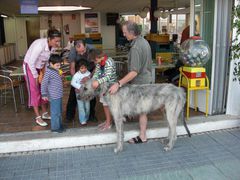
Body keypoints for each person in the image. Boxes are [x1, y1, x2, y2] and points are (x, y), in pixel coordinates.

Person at [109, 21, 152, 143]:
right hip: (146, 80)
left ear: (132, 32)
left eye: (125, 32)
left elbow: (134, 72)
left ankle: (142, 136)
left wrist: (118, 84)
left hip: (140, 84)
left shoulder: (136, 47)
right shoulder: (144, 42)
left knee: (142, 110)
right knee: (141, 109)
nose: (124, 35)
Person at [23, 29, 61, 127]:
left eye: (59, 41)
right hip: (30, 67)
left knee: (43, 89)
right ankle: (38, 117)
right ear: (49, 39)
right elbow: (31, 62)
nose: (58, 43)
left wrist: (46, 73)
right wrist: (36, 76)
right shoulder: (39, 45)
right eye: (56, 41)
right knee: (34, 91)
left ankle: (44, 113)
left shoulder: (52, 47)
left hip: (41, 67)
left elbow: (47, 61)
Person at [65, 40, 97, 123]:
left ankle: (91, 115)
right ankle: (69, 116)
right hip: (78, 71)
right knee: (73, 95)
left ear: (86, 46)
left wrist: (89, 77)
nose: (82, 54)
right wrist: (76, 82)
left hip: (90, 70)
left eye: (83, 51)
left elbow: (97, 66)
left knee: (91, 94)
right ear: (75, 49)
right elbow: (72, 68)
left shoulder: (92, 50)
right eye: (79, 52)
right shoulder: (72, 51)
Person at [92, 49, 117, 131]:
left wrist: (97, 82)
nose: (95, 63)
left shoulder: (109, 62)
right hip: (103, 86)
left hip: (111, 87)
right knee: (105, 104)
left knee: (109, 105)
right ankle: (108, 121)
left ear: (99, 57)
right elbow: (97, 73)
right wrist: (93, 80)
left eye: (95, 60)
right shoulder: (99, 63)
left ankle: (109, 122)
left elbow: (108, 77)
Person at [41, 54, 64, 133]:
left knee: (59, 111)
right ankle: (55, 128)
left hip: (59, 95)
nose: (59, 66)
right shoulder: (48, 72)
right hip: (54, 96)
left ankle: (59, 125)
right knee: (55, 113)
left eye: (59, 65)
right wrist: (43, 94)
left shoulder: (55, 70)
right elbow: (44, 83)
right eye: (57, 65)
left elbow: (55, 80)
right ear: (51, 64)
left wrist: (60, 77)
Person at [71, 60, 91, 125]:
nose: (84, 69)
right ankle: (82, 120)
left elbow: (91, 82)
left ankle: (86, 118)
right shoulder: (76, 75)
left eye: (85, 68)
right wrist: (79, 87)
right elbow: (72, 83)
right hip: (79, 93)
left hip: (87, 93)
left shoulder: (88, 73)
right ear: (78, 68)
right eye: (82, 68)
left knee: (87, 106)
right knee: (81, 106)